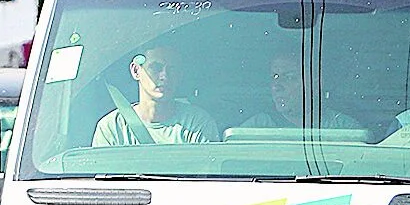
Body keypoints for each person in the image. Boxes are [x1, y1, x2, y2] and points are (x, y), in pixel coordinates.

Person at [92, 44, 223, 146]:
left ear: (180, 75)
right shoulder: (112, 127)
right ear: (136, 70)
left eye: (172, 69)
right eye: (155, 68)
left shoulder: (197, 123)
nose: (164, 76)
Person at [236, 46, 363, 134]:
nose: (276, 86)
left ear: (314, 82)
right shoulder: (257, 127)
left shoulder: (344, 129)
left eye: (289, 77)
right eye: (274, 77)